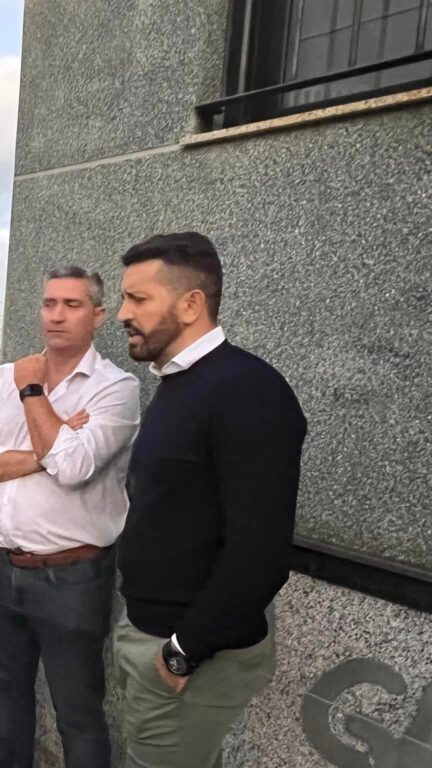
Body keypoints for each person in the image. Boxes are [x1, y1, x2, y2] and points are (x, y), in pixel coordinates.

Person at [114, 232, 307, 768]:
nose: (123, 314)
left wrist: (184, 650)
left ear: (191, 304)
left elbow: (261, 551)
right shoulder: (181, 384)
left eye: (138, 299)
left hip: (192, 654)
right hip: (153, 632)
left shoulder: (248, 391)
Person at [0, 266, 140, 768]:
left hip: (72, 577)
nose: (56, 315)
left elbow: (75, 469)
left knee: (77, 714)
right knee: (7, 701)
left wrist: (33, 393)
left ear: (98, 315)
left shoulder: (115, 389)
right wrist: (49, 449)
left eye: (72, 305)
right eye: (49, 303)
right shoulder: (5, 377)